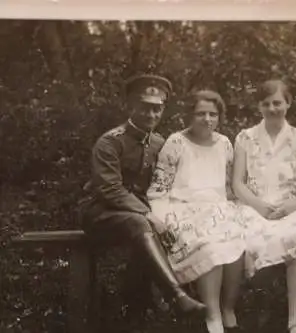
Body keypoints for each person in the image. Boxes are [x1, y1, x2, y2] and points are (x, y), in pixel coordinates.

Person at [80, 74, 205, 332]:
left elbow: (167, 184)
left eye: (157, 108)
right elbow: (109, 189)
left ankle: (138, 312)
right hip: (101, 213)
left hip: (139, 220)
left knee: (173, 226)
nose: (151, 114)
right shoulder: (110, 141)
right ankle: (176, 296)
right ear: (131, 106)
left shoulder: (160, 143)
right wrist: (149, 213)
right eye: (145, 107)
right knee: (140, 223)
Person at [147, 90, 246, 333]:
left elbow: (227, 186)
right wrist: (163, 217)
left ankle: (228, 309)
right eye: (201, 113)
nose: (207, 119)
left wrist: (235, 210)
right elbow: (159, 188)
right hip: (182, 209)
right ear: (190, 115)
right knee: (210, 245)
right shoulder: (176, 142)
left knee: (240, 240)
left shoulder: (224, 143)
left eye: (213, 114)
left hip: (219, 207)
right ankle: (212, 316)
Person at [232, 79, 296, 333]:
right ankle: (255, 308)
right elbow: (238, 183)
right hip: (254, 205)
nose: (272, 108)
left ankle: (294, 319)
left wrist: (291, 206)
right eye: (266, 104)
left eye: (277, 103)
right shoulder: (245, 138)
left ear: (288, 103)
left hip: (292, 207)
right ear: (258, 106)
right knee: (247, 239)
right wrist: (258, 206)